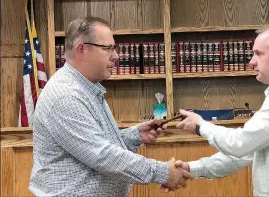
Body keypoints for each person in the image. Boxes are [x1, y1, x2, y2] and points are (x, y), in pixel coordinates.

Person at [29, 17, 191, 197]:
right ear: (82, 49)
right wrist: (163, 172)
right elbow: (102, 156)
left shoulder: (88, 88)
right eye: (108, 48)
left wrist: (134, 135)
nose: (116, 56)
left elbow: (93, 142)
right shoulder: (66, 96)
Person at [166, 25, 269, 197]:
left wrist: (200, 126)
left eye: (259, 54)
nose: (251, 61)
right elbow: (246, 152)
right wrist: (191, 168)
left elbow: (240, 144)